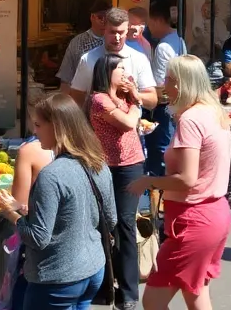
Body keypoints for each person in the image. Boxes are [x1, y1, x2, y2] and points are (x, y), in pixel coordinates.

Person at [124, 56, 231, 310]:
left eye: (169, 79)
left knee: (152, 300)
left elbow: (186, 179)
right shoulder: (213, 111)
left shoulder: (191, 120)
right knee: (196, 292)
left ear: (182, 84)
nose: (164, 85)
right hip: (212, 214)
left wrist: (149, 181)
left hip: (194, 219)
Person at [0, 94, 116, 310]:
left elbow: (38, 237)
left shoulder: (51, 175)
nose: (34, 132)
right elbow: (110, 219)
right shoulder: (98, 163)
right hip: (93, 270)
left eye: (38, 125)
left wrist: (12, 215)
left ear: (57, 127)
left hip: (57, 277)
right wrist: (24, 209)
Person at [87, 52, 149, 310]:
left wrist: (134, 96)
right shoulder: (99, 99)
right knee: (104, 223)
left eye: (125, 68)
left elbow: (141, 114)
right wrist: (136, 103)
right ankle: (103, 286)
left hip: (131, 166)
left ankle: (128, 292)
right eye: (120, 69)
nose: (125, 73)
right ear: (107, 72)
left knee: (124, 223)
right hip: (106, 167)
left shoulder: (123, 97)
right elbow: (126, 123)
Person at [146, 2, 188, 179]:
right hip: (177, 103)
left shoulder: (163, 47)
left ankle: (162, 192)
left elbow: (160, 84)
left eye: (149, 22)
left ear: (156, 20)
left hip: (165, 106)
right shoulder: (179, 40)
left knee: (162, 150)